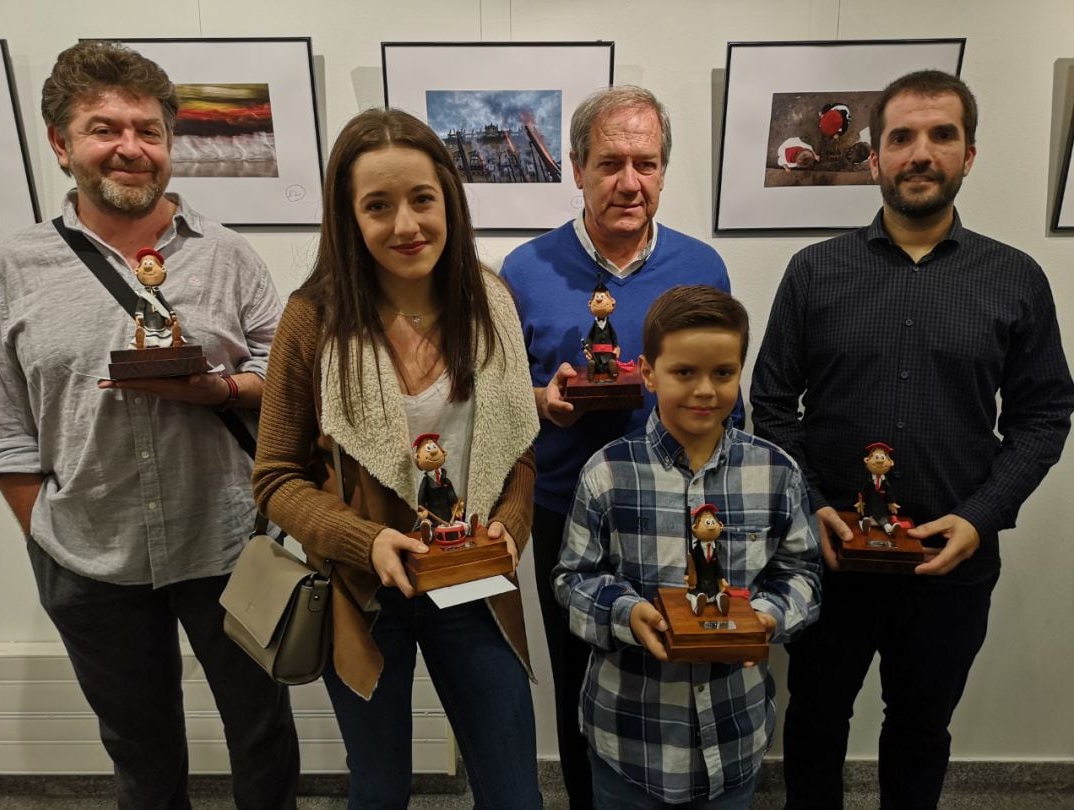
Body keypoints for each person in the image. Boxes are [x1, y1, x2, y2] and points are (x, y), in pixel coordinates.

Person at [750, 69, 1074, 809]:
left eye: (941, 135)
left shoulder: (1015, 278)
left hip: (949, 562)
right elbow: (770, 403)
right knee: (816, 723)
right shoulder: (814, 272)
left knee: (922, 729)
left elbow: (1045, 412)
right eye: (901, 137)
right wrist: (812, 506)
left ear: (970, 154)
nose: (920, 152)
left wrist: (980, 515)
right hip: (830, 555)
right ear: (873, 158)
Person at [0, 41, 299, 808]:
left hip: (228, 542)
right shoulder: (11, 266)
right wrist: (44, 530)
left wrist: (221, 389)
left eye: (148, 130)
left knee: (262, 730)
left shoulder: (229, 256)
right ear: (62, 145)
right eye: (104, 128)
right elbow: (3, 422)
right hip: (88, 555)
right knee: (138, 746)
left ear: (169, 145)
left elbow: (289, 383)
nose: (130, 147)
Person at [252, 107, 543, 809]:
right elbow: (275, 479)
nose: (406, 225)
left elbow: (519, 448)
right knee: (380, 790)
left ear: (449, 197)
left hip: (471, 585)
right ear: (349, 218)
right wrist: (366, 539)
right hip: (363, 594)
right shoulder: (313, 316)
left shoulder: (492, 302)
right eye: (377, 206)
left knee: (514, 792)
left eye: (421, 199)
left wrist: (512, 520)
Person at [499, 85, 738, 808]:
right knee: (579, 682)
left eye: (646, 162)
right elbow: (499, 397)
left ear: (664, 170)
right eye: (609, 163)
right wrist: (543, 401)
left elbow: (728, 394)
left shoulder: (704, 267)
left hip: (677, 508)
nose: (629, 182)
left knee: (678, 668)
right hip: (563, 508)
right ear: (575, 168)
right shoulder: (523, 270)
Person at [554, 285, 821, 808]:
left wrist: (766, 617)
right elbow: (572, 579)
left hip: (733, 735)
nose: (705, 390)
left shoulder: (775, 472)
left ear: (740, 371)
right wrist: (627, 614)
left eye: (723, 373)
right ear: (648, 373)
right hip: (630, 738)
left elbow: (802, 575)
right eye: (683, 373)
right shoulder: (607, 472)